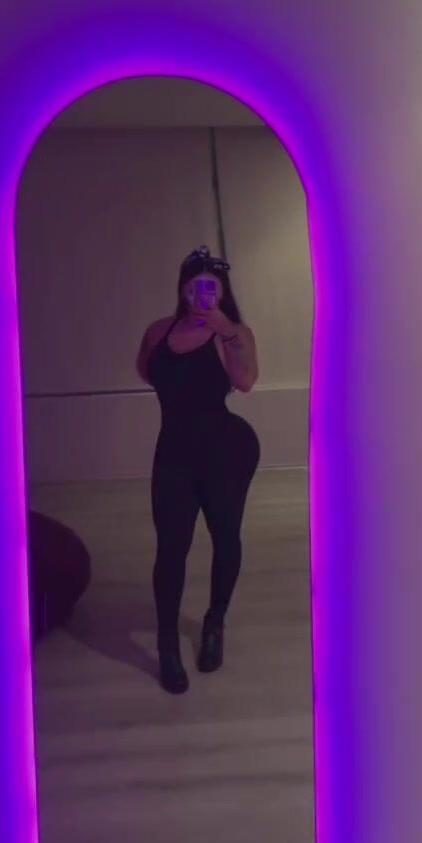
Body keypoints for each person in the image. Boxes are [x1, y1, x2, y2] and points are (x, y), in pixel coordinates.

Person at [136, 246, 260, 693]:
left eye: (210, 287)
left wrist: (226, 331)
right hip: (174, 453)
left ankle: (214, 622)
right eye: (193, 287)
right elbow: (145, 371)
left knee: (225, 538)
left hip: (226, 452)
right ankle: (167, 642)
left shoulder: (234, 334)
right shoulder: (158, 331)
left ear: (222, 291)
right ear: (182, 290)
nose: (201, 295)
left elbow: (246, 381)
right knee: (171, 548)